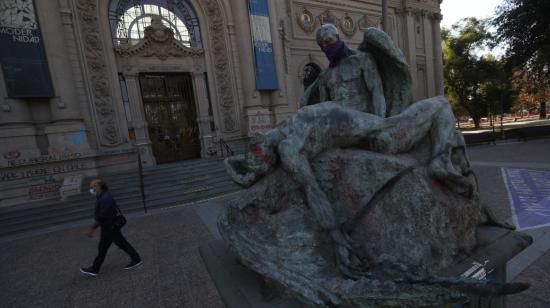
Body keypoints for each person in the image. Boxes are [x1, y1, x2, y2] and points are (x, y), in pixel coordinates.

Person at [80, 179, 142, 276]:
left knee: (121, 244)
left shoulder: (105, 198)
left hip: (110, 226)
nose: (91, 189)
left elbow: (102, 217)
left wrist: (91, 229)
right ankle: (95, 268)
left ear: (99, 186)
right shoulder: (101, 196)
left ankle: (136, 259)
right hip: (107, 227)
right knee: (103, 247)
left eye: (92, 187)